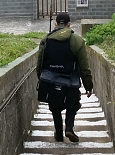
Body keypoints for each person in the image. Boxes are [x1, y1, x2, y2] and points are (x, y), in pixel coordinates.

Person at [36, 12, 93, 142]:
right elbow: (84, 67)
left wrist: (41, 78)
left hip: (50, 80)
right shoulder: (77, 40)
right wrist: (88, 86)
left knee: (54, 106)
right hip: (71, 80)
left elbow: (40, 63)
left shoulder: (46, 40)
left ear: (56, 24)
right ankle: (69, 128)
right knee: (73, 104)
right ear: (69, 24)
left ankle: (59, 133)